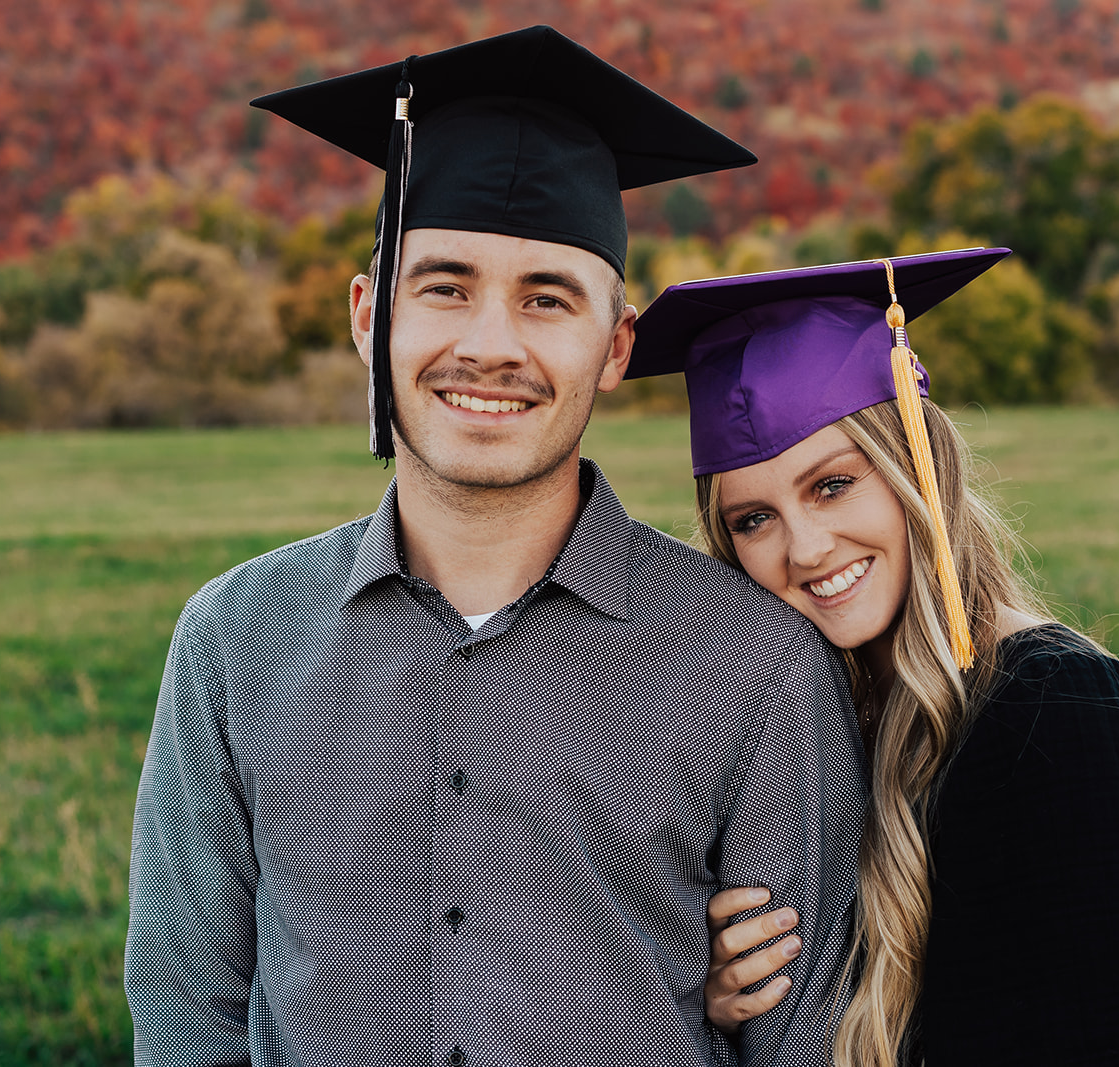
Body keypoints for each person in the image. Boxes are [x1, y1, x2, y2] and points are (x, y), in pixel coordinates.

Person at [124, 27, 868, 1067]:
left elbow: (802, 1045)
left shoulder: (754, 668)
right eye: (444, 285)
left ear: (614, 346)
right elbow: (187, 1015)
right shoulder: (235, 642)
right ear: (367, 313)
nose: (490, 344)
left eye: (547, 298)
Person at [625, 253, 1119, 1066]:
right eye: (755, 518)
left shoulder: (1049, 709)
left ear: (916, 469)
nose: (805, 548)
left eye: (831, 484)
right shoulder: (830, 725)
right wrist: (722, 1000)